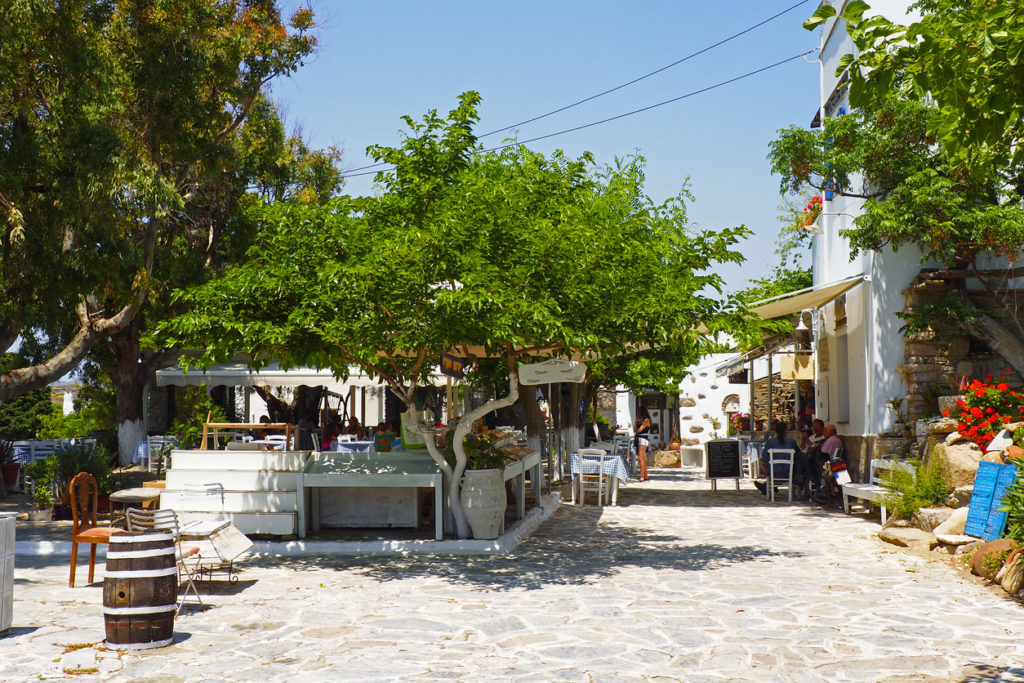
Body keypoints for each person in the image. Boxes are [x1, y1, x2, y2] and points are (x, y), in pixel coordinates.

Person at [758, 421, 809, 495]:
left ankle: (768, 486)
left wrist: (765, 466)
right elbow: (798, 454)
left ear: (776, 431)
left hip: (773, 471)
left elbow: (764, 456)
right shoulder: (791, 442)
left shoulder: (770, 442)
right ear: (786, 430)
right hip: (788, 471)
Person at [634, 406, 651, 482]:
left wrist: (637, 427)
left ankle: (642, 476)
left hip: (643, 440)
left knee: (641, 458)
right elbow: (635, 430)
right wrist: (636, 421)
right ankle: (645, 475)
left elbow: (639, 430)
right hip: (639, 439)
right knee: (641, 457)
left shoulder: (646, 420)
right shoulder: (640, 421)